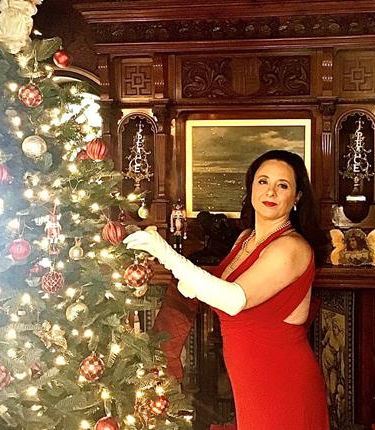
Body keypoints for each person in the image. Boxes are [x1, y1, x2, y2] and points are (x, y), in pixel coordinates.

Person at [124, 150, 329, 429]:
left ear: (297, 197)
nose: (270, 191)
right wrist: (186, 281)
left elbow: (233, 299)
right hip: (249, 379)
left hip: (281, 378)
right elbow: (214, 288)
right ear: (251, 187)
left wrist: (166, 254)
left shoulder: (290, 247)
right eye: (263, 181)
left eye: (283, 185)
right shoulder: (247, 238)